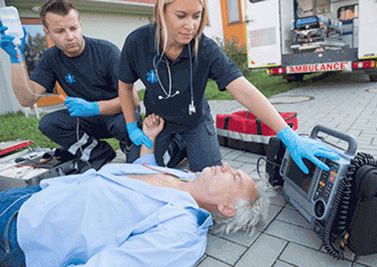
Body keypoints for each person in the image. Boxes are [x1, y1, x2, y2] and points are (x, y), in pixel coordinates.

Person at [0, 113, 270, 267]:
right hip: (37, 196)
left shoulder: (180, 232)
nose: (225, 165)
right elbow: (142, 169)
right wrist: (150, 138)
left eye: (233, 176)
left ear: (227, 207)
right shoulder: (184, 178)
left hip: (24, 232)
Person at [118, 0, 340, 173]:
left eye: (197, 16)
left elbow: (245, 91)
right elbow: (125, 86)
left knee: (209, 175)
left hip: (195, 121)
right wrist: (131, 127)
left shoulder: (206, 49)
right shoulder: (137, 43)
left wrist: (288, 135)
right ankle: (175, 147)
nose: (191, 25)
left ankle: (189, 145)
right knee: (137, 173)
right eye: (181, 16)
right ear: (161, 11)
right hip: (159, 122)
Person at [0, 0, 141, 170]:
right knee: (49, 123)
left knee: (125, 129)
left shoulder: (106, 52)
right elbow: (27, 99)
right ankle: (99, 154)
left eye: (73, 28)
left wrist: (94, 107)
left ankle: (130, 147)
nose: (70, 36)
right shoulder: (50, 58)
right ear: (48, 32)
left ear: (80, 25)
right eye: (60, 31)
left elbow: (133, 100)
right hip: (85, 119)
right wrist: (17, 58)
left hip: (117, 114)